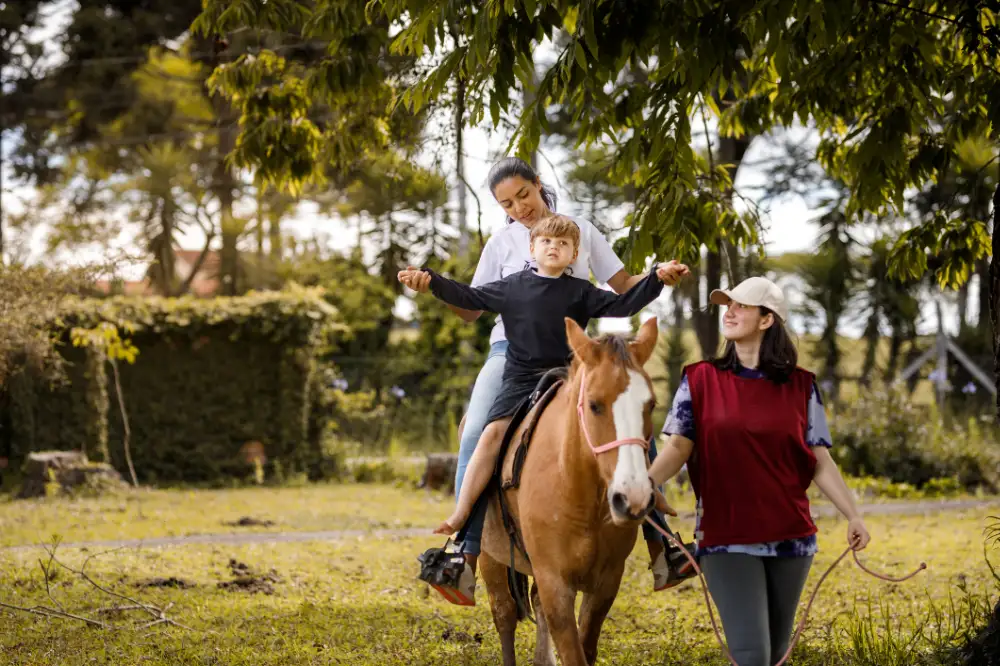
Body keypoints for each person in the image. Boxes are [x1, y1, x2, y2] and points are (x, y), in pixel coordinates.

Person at [400, 157, 696, 601]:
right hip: (512, 354)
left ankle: (663, 545)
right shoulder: (501, 245)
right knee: (479, 429)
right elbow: (472, 306)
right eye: (506, 203)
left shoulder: (581, 230)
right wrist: (433, 286)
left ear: (539, 185)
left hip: (575, 352)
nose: (519, 207)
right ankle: (463, 550)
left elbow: (621, 289)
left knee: (628, 414)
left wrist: (657, 276)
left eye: (524, 194)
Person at [646, 276, 872, 666]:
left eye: (741, 305)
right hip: (725, 537)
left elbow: (819, 460)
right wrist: (646, 482)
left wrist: (853, 515)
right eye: (726, 304)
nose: (729, 311)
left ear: (767, 319)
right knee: (752, 655)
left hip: (793, 539)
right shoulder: (699, 379)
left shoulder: (802, 386)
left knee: (777, 654)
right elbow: (679, 446)